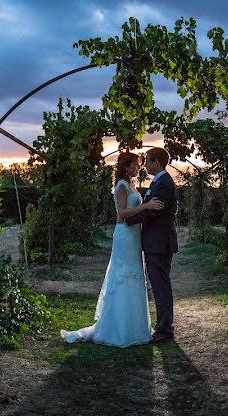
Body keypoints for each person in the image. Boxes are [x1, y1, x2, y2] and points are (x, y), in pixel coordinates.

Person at [60, 152, 164, 347]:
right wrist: (147, 206)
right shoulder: (121, 186)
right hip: (124, 235)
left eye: (139, 165)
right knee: (123, 275)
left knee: (134, 276)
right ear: (126, 167)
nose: (138, 168)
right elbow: (122, 214)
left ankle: (136, 327)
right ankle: (117, 328)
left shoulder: (131, 185)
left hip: (134, 236)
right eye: (135, 165)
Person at [120, 147, 178, 343]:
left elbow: (154, 211)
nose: (144, 164)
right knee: (159, 284)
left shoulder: (163, 183)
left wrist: (128, 221)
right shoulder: (159, 181)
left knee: (160, 285)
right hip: (156, 241)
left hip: (159, 242)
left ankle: (164, 329)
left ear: (156, 162)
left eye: (147, 160)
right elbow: (150, 208)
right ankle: (163, 326)